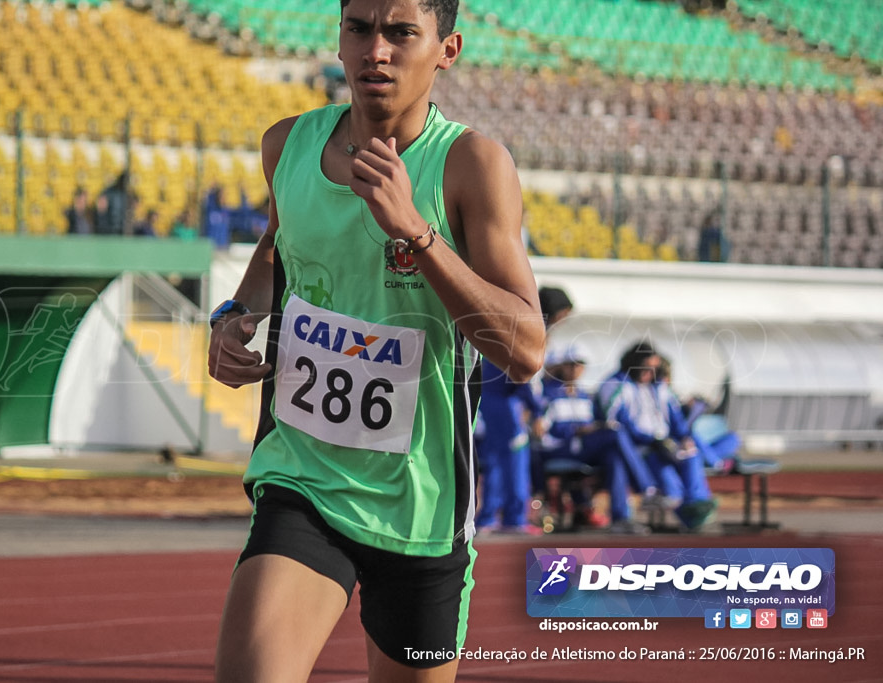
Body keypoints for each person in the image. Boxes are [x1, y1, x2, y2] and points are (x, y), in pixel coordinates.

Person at [207, 1, 546, 679]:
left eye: (399, 33)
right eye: (359, 29)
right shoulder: (287, 145)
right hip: (303, 477)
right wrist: (232, 316)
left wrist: (417, 233)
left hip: (420, 505)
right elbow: (278, 249)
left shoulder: (472, 166)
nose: (376, 51)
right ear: (339, 39)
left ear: (447, 49)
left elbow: (526, 347)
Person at [536, 346, 661, 534]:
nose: (576, 370)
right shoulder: (546, 395)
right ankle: (646, 488)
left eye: (580, 365)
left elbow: (594, 422)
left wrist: (591, 429)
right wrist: (575, 431)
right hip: (560, 448)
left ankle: (620, 518)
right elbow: (540, 432)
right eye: (571, 365)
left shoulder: (584, 396)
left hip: (584, 448)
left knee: (614, 456)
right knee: (616, 433)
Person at [596, 341, 718, 531]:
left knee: (691, 454)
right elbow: (618, 425)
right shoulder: (616, 385)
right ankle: (690, 515)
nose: (650, 373)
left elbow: (675, 419)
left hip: (665, 444)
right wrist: (653, 441)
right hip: (641, 448)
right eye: (646, 368)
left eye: (655, 368)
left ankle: (697, 504)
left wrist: (684, 437)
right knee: (666, 473)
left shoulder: (659, 388)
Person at [475, 356, 545, 535]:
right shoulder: (513, 347)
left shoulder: (490, 349)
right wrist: (537, 411)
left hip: (489, 407)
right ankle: (514, 518)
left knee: (495, 464)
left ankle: (488, 518)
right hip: (507, 413)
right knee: (515, 466)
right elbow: (523, 381)